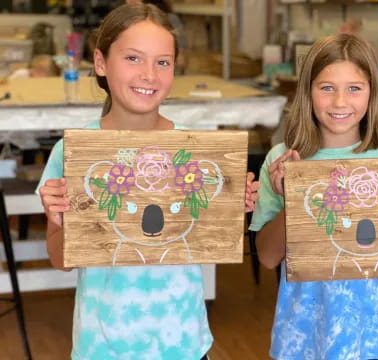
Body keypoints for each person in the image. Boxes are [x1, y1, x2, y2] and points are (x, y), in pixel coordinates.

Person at [37, 4, 258, 359]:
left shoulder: (194, 152)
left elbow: (209, 235)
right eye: (133, 58)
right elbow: (61, 259)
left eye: (163, 62)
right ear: (100, 62)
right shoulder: (73, 152)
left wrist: (235, 205)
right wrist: (58, 219)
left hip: (184, 342)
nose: (149, 75)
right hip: (103, 346)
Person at [248, 33, 378, 360]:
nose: (340, 102)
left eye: (354, 88)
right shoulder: (282, 159)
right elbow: (268, 258)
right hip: (301, 332)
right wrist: (294, 199)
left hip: (371, 332)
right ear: (308, 91)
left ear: (372, 93)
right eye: (327, 88)